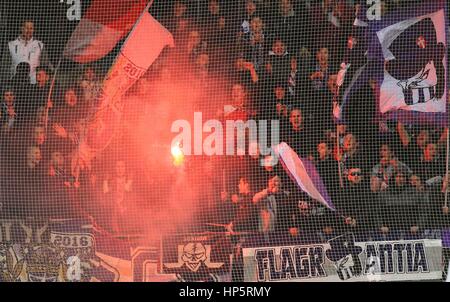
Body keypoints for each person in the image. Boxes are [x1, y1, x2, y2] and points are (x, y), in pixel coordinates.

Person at [2, 20, 52, 85]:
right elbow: (4, 67)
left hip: (34, 84)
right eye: (26, 28)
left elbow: (46, 65)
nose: (29, 31)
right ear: (21, 28)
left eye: (31, 28)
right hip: (15, 84)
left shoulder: (39, 45)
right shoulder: (11, 45)